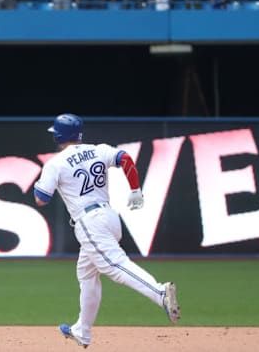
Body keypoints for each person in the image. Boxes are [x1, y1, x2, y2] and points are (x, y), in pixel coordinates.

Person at [33, 113, 180, 349]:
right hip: (110, 218)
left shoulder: (56, 163)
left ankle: (159, 292)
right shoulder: (98, 149)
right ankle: (82, 330)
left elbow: (41, 199)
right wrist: (135, 189)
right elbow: (125, 159)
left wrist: (41, 183)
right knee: (86, 273)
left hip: (90, 222)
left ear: (59, 136)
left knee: (115, 266)